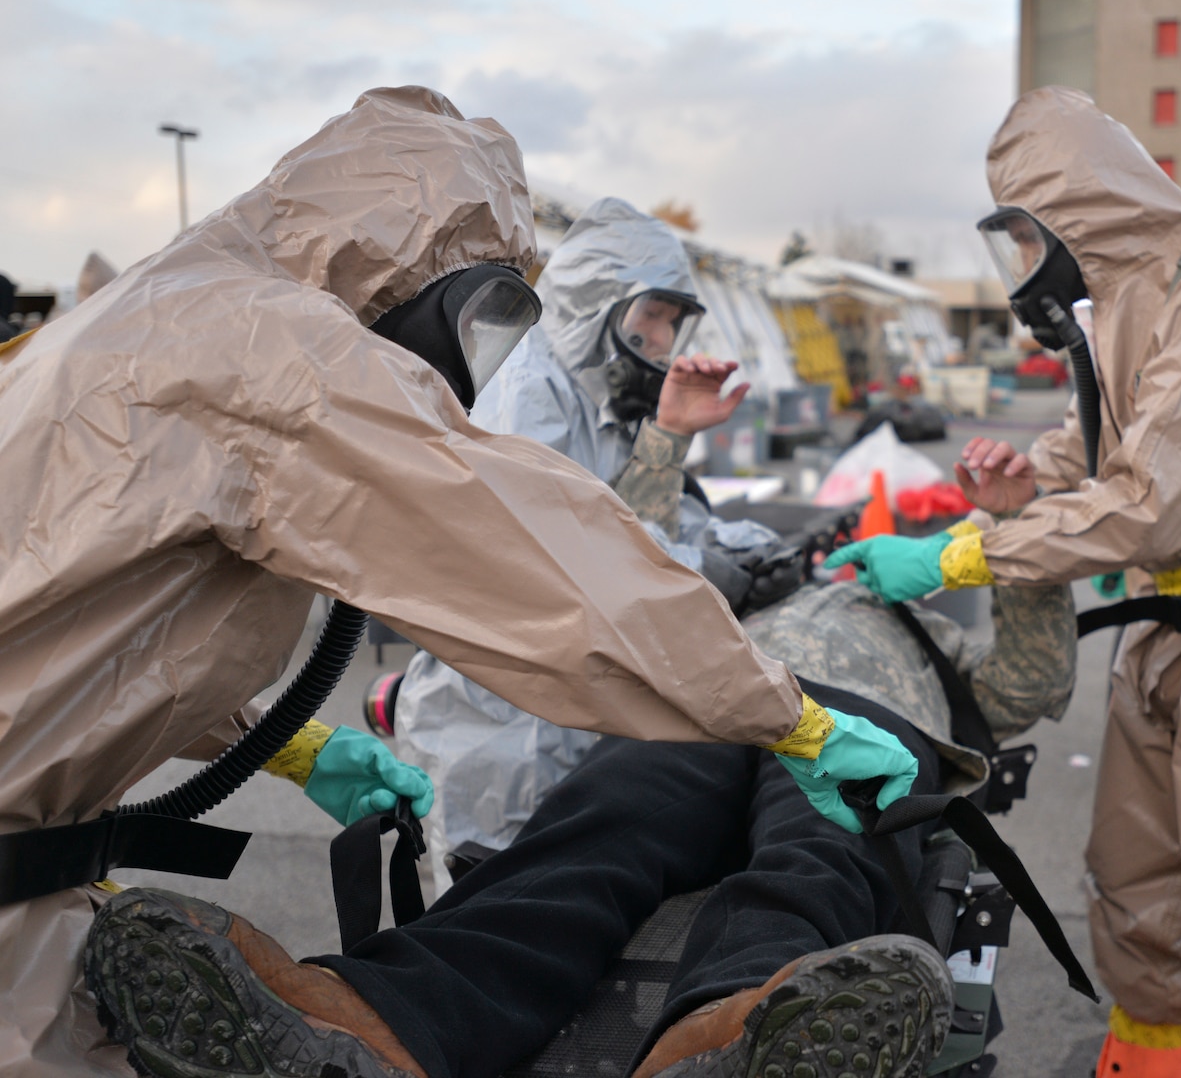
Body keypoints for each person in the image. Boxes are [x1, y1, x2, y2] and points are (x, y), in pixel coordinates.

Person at [0, 87, 920, 1078]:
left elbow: (85, 629)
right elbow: (543, 565)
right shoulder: (280, 351)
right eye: (477, 311)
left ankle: (378, 1025)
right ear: (408, 267)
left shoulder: (135, 327)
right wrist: (788, 714)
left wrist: (284, 744)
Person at [86, 540, 1079, 1078]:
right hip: (718, 692)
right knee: (597, 824)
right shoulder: (749, 589)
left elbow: (1032, 683)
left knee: (822, 842)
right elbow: (616, 553)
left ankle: (727, 1031)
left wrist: (988, 551)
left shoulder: (928, 626)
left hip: (869, 715)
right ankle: (382, 1021)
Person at [828, 86, 1181, 1077]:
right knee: (1138, 892)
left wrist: (954, 558)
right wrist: (977, 498)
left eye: (1028, 239)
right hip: (1177, 635)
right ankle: (1141, 1061)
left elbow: (1151, 504)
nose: (1024, 269)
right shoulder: (1129, 305)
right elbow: (1094, 453)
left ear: (1080, 211)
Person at [396, 198, 804, 872]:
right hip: (495, 725)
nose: (663, 341)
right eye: (651, 317)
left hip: (571, 707)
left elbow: (638, 519)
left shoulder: (598, 396)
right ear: (597, 303)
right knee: (489, 918)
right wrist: (700, 567)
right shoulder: (524, 389)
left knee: (562, 910)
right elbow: (559, 548)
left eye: (673, 323)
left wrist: (740, 545)